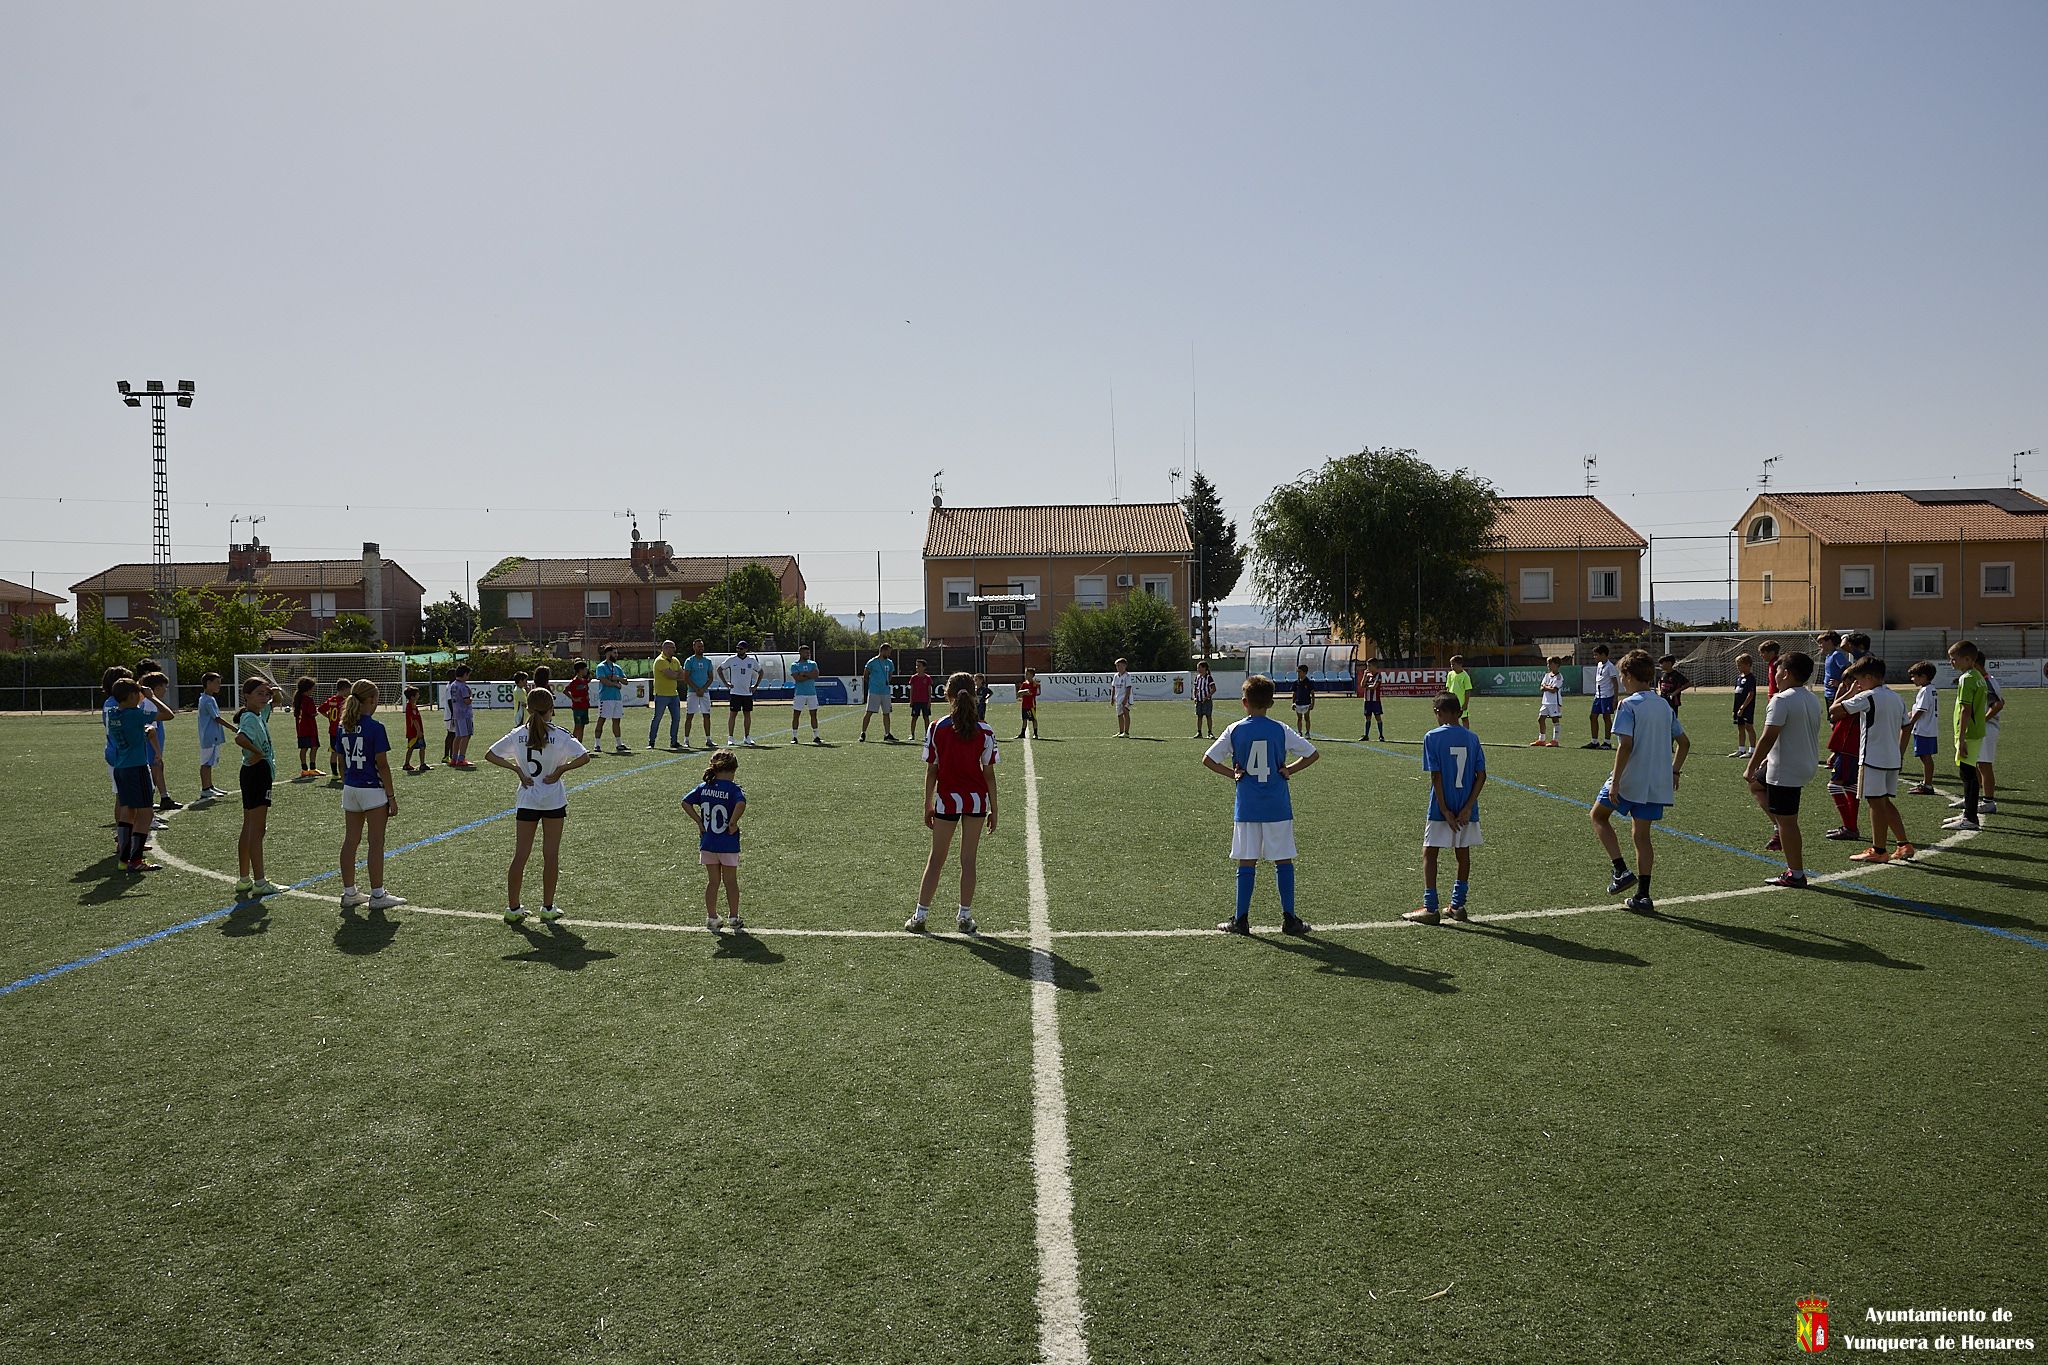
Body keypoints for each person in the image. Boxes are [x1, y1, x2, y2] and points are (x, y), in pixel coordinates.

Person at [1205, 673, 1318, 934]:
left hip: (1247, 807)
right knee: (1283, 861)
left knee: (1246, 861)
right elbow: (1312, 754)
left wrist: (1232, 774)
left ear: (1244, 702)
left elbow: (1208, 759)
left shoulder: (1234, 729)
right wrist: (1289, 769)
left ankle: (1241, 920)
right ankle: (1290, 919)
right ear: (1271, 703)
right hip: (1277, 806)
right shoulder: (1280, 728)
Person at [1591, 651, 1688, 914]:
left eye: (1622, 676)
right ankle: (1643, 896)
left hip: (1631, 778)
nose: (1621, 681)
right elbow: (1684, 743)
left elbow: (1626, 746)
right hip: (1657, 781)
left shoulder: (1628, 705)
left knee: (1598, 817)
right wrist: (1674, 772)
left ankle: (1621, 871)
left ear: (1629, 676)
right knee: (1642, 836)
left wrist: (1615, 782)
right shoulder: (1663, 705)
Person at [486, 687, 591, 923]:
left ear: (528, 709)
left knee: (520, 855)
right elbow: (585, 756)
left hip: (527, 799)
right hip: (553, 799)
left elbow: (490, 754)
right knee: (550, 855)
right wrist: (562, 769)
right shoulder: (561, 735)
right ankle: (547, 907)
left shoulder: (518, 734)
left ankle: (513, 909)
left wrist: (516, 770)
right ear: (551, 710)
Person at [909, 672, 999, 935]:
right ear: (974, 695)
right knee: (968, 860)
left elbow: (932, 771)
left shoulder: (937, 727)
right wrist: (995, 808)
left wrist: (927, 804)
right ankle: (964, 917)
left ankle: (920, 916)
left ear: (947, 696)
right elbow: (989, 774)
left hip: (947, 800)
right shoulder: (985, 730)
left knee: (936, 859)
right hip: (976, 800)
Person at [1405, 690, 1487, 923]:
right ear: (1460, 713)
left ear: (1437, 712)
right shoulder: (1472, 737)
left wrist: (1444, 809)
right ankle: (1457, 906)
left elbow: (1436, 776)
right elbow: (1481, 775)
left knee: (1430, 852)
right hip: (1466, 808)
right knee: (1463, 854)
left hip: (1442, 807)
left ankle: (1430, 908)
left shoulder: (1432, 737)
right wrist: (1468, 807)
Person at [1744, 650, 1825, 885]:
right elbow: (1795, 732)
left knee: (1788, 822)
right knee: (1757, 786)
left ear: (1786, 673)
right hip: (1802, 763)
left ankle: (1795, 874)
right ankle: (1779, 829)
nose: (1775, 675)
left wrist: (1750, 766)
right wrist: (1769, 757)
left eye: (1777, 671)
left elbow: (1767, 737)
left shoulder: (1781, 699)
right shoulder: (1810, 698)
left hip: (1786, 770)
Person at [335, 680, 407, 911]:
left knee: (350, 841)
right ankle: (377, 895)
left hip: (351, 788)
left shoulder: (343, 725)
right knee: (376, 842)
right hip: (372, 789)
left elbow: (340, 760)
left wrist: (347, 781)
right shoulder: (376, 727)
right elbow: (382, 766)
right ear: (373, 700)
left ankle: (349, 893)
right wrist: (392, 796)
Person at [1830, 658, 1911, 863]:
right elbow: (1907, 726)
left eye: (1858, 680)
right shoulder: (1896, 697)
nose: (1857, 684)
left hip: (1872, 758)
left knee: (1875, 803)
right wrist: (1900, 752)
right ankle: (1903, 844)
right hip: (1892, 758)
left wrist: (1850, 693)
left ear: (1868, 677)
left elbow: (1834, 712)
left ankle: (1879, 850)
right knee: (1884, 801)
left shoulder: (1868, 696)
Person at [232, 674, 288, 897]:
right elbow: (240, 738)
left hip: (252, 772)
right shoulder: (250, 718)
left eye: (265, 694)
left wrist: (271, 691)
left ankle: (244, 879)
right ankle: (260, 881)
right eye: (259, 694)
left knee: (248, 826)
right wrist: (258, 752)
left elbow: (277, 700)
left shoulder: (258, 712)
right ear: (247, 696)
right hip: (257, 772)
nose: (265, 698)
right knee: (257, 829)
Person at [684, 748, 747, 931]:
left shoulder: (704, 787)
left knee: (713, 881)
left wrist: (699, 821)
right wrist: (733, 822)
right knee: (731, 882)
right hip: (727, 842)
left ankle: (712, 917)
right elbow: (741, 803)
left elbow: (685, 802)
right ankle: (733, 917)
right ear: (733, 771)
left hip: (709, 842)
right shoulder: (733, 789)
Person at [107, 677, 163, 873]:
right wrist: (152, 697)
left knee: (127, 812)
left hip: (121, 767)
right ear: (132, 695)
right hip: (136, 767)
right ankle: (136, 860)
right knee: (145, 813)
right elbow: (168, 714)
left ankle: (124, 859)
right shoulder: (134, 715)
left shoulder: (113, 712)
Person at [1944, 642, 1988, 832]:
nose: (1951, 662)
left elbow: (1966, 709)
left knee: (1967, 775)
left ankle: (1970, 817)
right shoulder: (1978, 676)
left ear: (1967, 659)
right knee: (1969, 774)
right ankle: (1968, 814)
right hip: (1976, 732)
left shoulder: (1966, 679)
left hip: (1968, 733)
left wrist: (1961, 738)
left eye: (1954, 659)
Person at [1959, 661, 2005, 816]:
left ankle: (1988, 801)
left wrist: (1982, 720)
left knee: (1984, 765)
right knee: (1977, 764)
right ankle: (1971, 798)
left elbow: (1998, 704)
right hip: (1984, 728)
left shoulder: (1985, 681)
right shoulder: (1986, 679)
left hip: (1987, 727)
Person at [138, 671, 180, 812]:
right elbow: (151, 731)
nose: (165, 690)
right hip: (150, 747)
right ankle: (156, 801)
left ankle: (157, 798)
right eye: (164, 687)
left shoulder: (148, 702)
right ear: (156, 688)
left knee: (156, 772)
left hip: (152, 747)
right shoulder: (150, 703)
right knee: (154, 772)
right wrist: (156, 751)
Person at [1904, 661, 1940, 795]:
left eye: (1914, 676)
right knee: (1926, 756)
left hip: (1924, 729)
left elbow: (1921, 710)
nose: (1912, 679)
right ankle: (1927, 783)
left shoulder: (1925, 691)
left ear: (1923, 676)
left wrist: (1911, 722)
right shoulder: (1931, 689)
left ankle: (1928, 785)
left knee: (1925, 757)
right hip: (1929, 728)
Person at [194, 671, 231, 800]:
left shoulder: (209, 698)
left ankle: (209, 786)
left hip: (213, 736)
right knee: (205, 763)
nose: (219, 685)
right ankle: (205, 788)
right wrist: (233, 728)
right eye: (217, 683)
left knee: (209, 762)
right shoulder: (207, 700)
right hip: (209, 736)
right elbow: (217, 718)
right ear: (208, 683)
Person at [721, 640, 763, 746]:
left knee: (747, 714)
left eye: (741, 648)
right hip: (735, 692)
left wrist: (756, 686)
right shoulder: (731, 659)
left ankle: (747, 736)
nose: (738, 650)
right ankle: (730, 737)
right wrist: (726, 683)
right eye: (737, 648)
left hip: (747, 693)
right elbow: (719, 669)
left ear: (746, 650)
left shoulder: (751, 660)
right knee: (733, 714)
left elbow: (761, 671)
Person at [648, 640, 684, 751]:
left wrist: (675, 674)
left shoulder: (675, 660)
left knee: (676, 718)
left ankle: (674, 742)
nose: (674, 650)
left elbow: (682, 675)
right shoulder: (660, 661)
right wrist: (676, 674)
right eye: (673, 647)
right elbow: (672, 675)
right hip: (661, 695)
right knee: (657, 718)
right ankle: (651, 742)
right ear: (667, 649)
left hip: (674, 694)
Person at [681, 640, 717, 751]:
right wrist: (696, 689)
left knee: (706, 715)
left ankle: (708, 739)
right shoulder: (689, 661)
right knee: (690, 715)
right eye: (698, 646)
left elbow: (710, 677)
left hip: (704, 692)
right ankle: (686, 740)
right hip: (693, 692)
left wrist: (703, 689)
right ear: (694, 648)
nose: (700, 648)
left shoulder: (707, 661)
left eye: (702, 646)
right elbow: (686, 677)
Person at [786, 644, 823, 744]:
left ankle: (816, 736)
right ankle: (795, 737)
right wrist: (809, 675)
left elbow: (816, 675)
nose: (808, 654)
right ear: (801, 653)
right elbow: (798, 678)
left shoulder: (813, 663)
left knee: (814, 715)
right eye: (806, 652)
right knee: (796, 715)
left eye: (809, 652)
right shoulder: (795, 665)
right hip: (800, 694)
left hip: (812, 693)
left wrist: (804, 674)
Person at [1583, 645, 1619, 748]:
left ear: (1603, 655)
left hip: (1607, 696)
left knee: (1606, 717)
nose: (1595, 657)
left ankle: (1607, 742)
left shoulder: (1610, 666)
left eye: (1596, 655)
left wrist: (1615, 699)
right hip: (1598, 695)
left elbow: (1615, 683)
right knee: (1593, 716)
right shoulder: (1599, 665)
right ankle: (1594, 741)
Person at [860, 643, 897, 742]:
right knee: (869, 712)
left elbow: (890, 676)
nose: (889, 654)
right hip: (874, 691)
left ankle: (887, 734)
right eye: (888, 651)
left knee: (886, 713)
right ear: (883, 651)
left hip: (885, 691)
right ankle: (863, 733)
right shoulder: (872, 662)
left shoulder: (889, 663)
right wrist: (873, 684)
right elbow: (866, 675)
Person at [319, 678, 352, 777]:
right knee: (344, 752)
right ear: (345, 689)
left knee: (334, 752)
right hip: (342, 729)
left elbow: (320, 709)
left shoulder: (331, 700)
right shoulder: (345, 701)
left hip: (332, 730)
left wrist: (329, 716)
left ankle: (334, 774)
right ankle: (345, 772)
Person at [445, 666, 476, 766]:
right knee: (466, 735)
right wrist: (471, 696)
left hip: (456, 714)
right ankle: (461, 758)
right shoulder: (463, 687)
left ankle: (454, 758)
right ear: (465, 674)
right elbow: (467, 701)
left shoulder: (453, 685)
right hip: (464, 714)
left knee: (458, 736)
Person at [1729, 653, 1758, 758]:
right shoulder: (1739, 677)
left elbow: (1751, 694)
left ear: (1748, 665)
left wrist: (1742, 707)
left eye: (1740, 665)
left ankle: (1752, 750)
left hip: (1747, 706)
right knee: (1740, 727)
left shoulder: (1751, 678)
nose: (1738, 667)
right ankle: (1741, 750)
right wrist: (1735, 709)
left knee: (1748, 727)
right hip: (1738, 707)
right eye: (1737, 665)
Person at [293, 675, 321, 777]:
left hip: (301, 729)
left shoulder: (298, 699)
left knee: (303, 748)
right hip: (310, 729)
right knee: (314, 746)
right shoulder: (308, 700)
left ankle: (304, 769)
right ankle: (313, 768)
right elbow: (312, 713)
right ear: (308, 689)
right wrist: (316, 712)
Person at [1534, 656, 1564, 746]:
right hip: (1545, 702)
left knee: (1555, 720)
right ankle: (1542, 740)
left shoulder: (1559, 677)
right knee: (1541, 719)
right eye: (1548, 664)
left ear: (1557, 665)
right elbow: (1541, 688)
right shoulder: (1547, 675)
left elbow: (1554, 689)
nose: (1548, 666)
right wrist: (1548, 688)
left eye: (1551, 664)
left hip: (1554, 702)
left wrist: (1546, 687)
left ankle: (1555, 740)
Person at [401, 684, 431, 771]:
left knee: (412, 747)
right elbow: (414, 720)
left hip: (412, 732)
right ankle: (421, 764)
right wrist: (418, 731)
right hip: (414, 732)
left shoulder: (411, 705)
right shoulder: (411, 706)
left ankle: (407, 763)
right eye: (417, 695)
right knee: (421, 747)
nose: (419, 696)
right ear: (412, 697)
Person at [1818, 630, 1852, 705]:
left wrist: (1841, 683)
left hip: (1835, 693)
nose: (1820, 645)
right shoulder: (1828, 656)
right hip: (1828, 692)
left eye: (1821, 642)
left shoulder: (1837, 655)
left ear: (1829, 642)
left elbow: (1850, 668)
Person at [565, 661, 592, 745]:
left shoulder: (584, 681)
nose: (586, 670)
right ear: (580, 670)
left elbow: (585, 690)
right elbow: (565, 691)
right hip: (577, 707)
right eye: (585, 668)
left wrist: (587, 696)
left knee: (582, 726)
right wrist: (574, 699)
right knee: (577, 726)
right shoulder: (574, 681)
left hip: (585, 706)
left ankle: (580, 744)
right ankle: (572, 744)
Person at [1445, 655, 1474, 730]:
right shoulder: (1450, 674)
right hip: (1452, 701)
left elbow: (1468, 690)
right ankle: (1454, 733)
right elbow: (1448, 687)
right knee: (1452, 718)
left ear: (1460, 665)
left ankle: (1466, 733)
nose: (1452, 666)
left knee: (1464, 718)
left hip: (1461, 701)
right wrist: (1447, 698)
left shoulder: (1465, 676)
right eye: (1451, 664)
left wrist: (1465, 703)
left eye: (1453, 664)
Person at [1358, 658, 1384, 742]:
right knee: (1367, 717)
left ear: (1375, 666)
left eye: (1369, 666)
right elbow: (1362, 685)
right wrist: (1364, 676)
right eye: (1367, 666)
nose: (1367, 667)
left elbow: (1374, 687)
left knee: (1378, 717)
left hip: (1375, 701)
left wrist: (1367, 687)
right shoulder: (1367, 675)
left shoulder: (1378, 676)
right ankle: (1366, 735)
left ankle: (1381, 735)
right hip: (1367, 700)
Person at [908, 659, 934, 740]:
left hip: (925, 701)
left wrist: (929, 701)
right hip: (916, 701)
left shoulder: (927, 678)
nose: (917, 667)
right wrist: (911, 700)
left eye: (919, 666)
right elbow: (911, 689)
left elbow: (929, 690)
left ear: (924, 667)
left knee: (926, 717)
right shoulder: (914, 678)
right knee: (914, 717)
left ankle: (927, 735)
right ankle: (912, 734)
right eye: (916, 666)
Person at [1110, 658, 1135, 737]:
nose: (1117, 667)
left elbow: (1128, 688)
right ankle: (1120, 732)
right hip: (1118, 698)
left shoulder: (1127, 676)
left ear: (1124, 666)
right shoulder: (1116, 676)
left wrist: (1125, 699)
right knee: (1119, 714)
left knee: (1125, 713)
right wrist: (1112, 697)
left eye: (1119, 665)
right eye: (1116, 665)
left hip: (1125, 698)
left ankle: (1126, 732)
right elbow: (1113, 687)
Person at [1192, 660, 1217, 739]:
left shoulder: (1208, 678)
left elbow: (1214, 689)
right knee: (1199, 716)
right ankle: (1199, 732)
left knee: (1208, 716)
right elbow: (1195, 688)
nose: (1198, 669)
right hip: (1199, 700)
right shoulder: (1197, 678)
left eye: (1199, 667)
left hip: (1207, 700)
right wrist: (1195, 697)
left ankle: (1210, 732)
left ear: (1204, 668)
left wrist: (1207, 697)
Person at [1017, 667, 1042, 740]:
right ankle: (1022, 733)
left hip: (1031, 705)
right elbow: (1019, 692)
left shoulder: (1034, 684)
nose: (1025, 675)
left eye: (1027, 674)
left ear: (1031, 675)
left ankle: (1035, 733)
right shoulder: (1024, 684)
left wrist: (1024, 693)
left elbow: (1031, 693)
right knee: (1024, 719)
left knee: (1033, 719)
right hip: (1024, 705)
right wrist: (1024, 691)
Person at [1291, 663, 1316, 736]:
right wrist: (1293, 702)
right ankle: (1299, 732)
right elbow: (1294, 693)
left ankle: (1307, 732)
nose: (1298, 673)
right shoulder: (1296, 683)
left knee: (1307, 718)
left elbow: (1312, 694)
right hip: (1298, 703)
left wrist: (1312, 703)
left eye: (1299, 672)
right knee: (1299, 718)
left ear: (1305, 672)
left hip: (1306, 703)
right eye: (1297, 672)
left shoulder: (1309, 682)